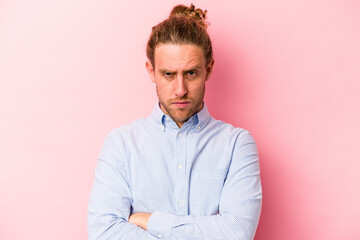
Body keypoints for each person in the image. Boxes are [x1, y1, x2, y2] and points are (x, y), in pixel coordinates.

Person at [88, 4, 262, 240]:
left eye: (191, 73)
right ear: (152, 71)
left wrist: (151, 221)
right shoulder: (121, 144)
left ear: (208, 69)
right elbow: (104, 232)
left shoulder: (237, 145)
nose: (180, 90)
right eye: (168, 74)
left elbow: (237, 233)